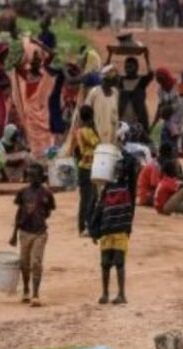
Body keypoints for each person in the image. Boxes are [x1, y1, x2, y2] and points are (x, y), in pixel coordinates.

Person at [90, 153, 137, 305]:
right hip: (106, 229)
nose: (118, 172)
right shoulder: (107, 188)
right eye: (116, 170)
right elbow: (99, 208)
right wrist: (94, 229)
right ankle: (105, 293)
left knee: (119, 262)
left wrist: (120, 149)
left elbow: (132, 163)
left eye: (121, 170)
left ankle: (121, 294)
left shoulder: (128, 188)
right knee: (105, 263)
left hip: (120, 230)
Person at [9, 163, 56, 307]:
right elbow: (19, 213)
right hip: (24, 232)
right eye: (30, 176)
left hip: (39, 233)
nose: (33, 178)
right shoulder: (23, 193)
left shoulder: (47, 194)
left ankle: (35, 294)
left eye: (35, 176)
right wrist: (14, 233)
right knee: (24, 263)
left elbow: (48, 211)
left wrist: (38, 217)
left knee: (36, 262)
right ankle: (26, 290)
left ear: (41, 177)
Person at [13, 50, 56, 159]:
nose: (37, 63)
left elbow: (52, 54)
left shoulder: (43, 75)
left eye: (39, 61)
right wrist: (26, 54)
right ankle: (36, 157)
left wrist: (38, 43)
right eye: (34, 61)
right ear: (31, 62)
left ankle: (45, 157)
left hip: (42, 110)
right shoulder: (27, 74)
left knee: (46, 134)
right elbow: (16, 66)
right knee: (32, 136)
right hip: (30, 110)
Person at [76, 105, 100, 235]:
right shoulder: (87, 131)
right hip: (87, 168)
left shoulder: (80, 130)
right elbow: (97, 143)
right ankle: (85, 226)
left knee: (88, 198)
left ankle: (85, 225)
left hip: (86, 167)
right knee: (89, 198)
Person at [115, 55, 154, 133]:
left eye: (130, 66)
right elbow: (107, 74)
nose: (128, 69)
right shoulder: (120, 81)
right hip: (123, 117)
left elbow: (151, 74)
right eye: (126, 66)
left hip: (138, 118)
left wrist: (147, 58)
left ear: (136, 67)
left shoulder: (142, 81)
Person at [84, 69, 120, 145]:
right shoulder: (95, 92)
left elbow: (115, 111)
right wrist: (92, 130)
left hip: (111, 130)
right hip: (97, 129)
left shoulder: (115, 92)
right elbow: (86, 112)